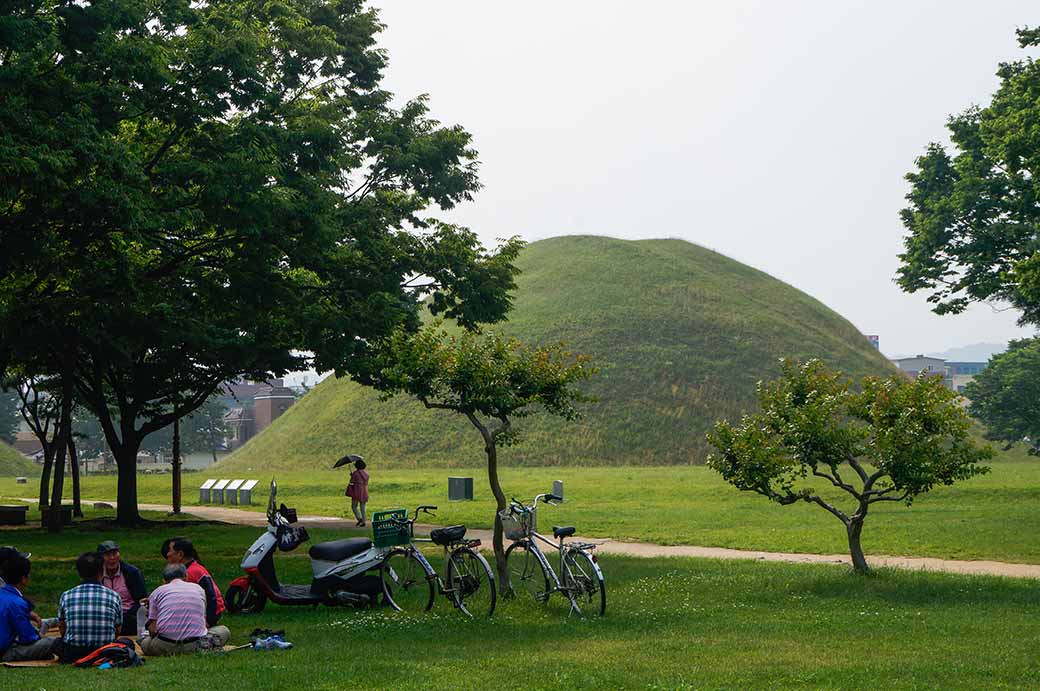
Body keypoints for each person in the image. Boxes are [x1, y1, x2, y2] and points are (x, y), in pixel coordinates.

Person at [140, 564, 230, 656]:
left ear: (164, 581)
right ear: (186, 576)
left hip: (164, 647)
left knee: (144, 641)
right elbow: (202, 621)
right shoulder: (198, 589)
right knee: (223, 630)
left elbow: (152, 629)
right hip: (197, 645)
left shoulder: (157, 592)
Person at [57, 552, 122, 664]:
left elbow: (62, 627)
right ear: (102, 572)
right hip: (105, 652)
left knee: (56, 644)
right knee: (127, 643)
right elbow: (117, 630)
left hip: (73, 653)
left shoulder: (66, 595)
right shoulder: (114, 596)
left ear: (79, 573)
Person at [0, 555, 60, 662]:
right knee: (52, 642)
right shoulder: (18, 602)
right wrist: (39, 637)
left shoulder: (7, 596)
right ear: (24, 579)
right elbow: (28, 637)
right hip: (5, 652)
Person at [161, 537, 225, 626]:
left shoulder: (190, 573)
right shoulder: (193, 567)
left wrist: (208, 621)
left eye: (170, 551)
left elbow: (211, 598)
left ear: (180, 554)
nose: (167, 554)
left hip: (208, 614)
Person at [97, 540, 148, 635]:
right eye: (107, 555)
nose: (112, 558)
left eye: (115, 553)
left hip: (128, 615)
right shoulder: (96, 574)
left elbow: (142, 600)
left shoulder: (132, 572)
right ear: (100, 558)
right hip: (104, 615)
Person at [344, 456, 369, 527]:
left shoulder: (355, 473)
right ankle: (364, 521)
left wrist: (352, 476)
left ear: (356, 466)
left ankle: (359, 518)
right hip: (364, 490)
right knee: (363, 507)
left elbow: (352, 481)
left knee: (354, 506)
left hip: (357, 491)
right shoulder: (366, 474)